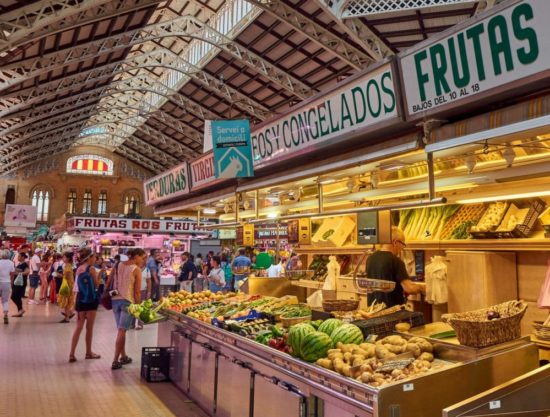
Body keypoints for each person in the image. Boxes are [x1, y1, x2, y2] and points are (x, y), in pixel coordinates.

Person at [366, 226, 425, 308]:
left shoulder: (371, 258)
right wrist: (422, 288)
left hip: (373, 310)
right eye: (402, 244)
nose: (402, 248)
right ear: (395, 242)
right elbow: (409, 288)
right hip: (391, 312)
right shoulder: (396, 261)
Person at [106, 248, 146, 370]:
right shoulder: (136, 269)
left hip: (115, 300)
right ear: (136, 256)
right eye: (142, 258)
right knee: (122, 331)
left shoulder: (118, 265)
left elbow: (109, 281)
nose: (143, 261)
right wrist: (138, 307)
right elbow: (137, 292)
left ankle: (123, 356)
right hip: (127, 302)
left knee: (121, 330)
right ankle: (115, 360)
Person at [68, 248, 101, 362]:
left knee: (78, 326)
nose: (95, 259)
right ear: (90, 258)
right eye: (94, 257)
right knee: (89, 328)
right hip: (91, 300)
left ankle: (72, 353)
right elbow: (96, 285)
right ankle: (88, 352)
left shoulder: (78, 269)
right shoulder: (91, 269)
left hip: (80, 299)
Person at [58, 252, 76, 323]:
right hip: (69, 284)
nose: (63, 258)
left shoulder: (67, 265)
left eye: (64, 257)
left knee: (66, 300)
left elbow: (68, 276)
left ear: (68, 258)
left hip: (67, 284)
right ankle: (69, 313)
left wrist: (60, 276)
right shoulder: (68, 265)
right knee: (67, 300)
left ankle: (67, 317)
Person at [11, 252, 29, 317]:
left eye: (19, 256)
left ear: (23, 257)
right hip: (16, 282)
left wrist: (18, 273)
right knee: (16, 297)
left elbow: (27, 272)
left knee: (14, 296)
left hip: (20, 283)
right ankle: (20, 310)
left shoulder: (25, 265)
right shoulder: (18, 264)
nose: (18, 257)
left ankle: (20, 310)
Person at [0, 249, 15, 324]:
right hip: (7, 283)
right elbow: (12, 274)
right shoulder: (11, 263)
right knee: (5, 300)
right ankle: (5, 314)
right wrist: (11, 283)